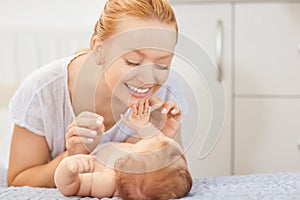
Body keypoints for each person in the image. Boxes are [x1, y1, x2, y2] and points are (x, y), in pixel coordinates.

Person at [7, 0, 184, 188]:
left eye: (162, 65)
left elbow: (176, 181)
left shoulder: (166, 93)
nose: (148, 78)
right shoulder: (42, 92)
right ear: (99, 50)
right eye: (133, 62)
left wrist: (161, 141)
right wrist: (73, 156)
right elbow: (17, 182)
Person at [54, 99, 192, 199]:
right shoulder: (144, 161)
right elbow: (154, 140)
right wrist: (142, 124)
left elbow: (71, 187)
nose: (157, 136)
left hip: (91, 152)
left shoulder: (108, 181)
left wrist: (68, 167)